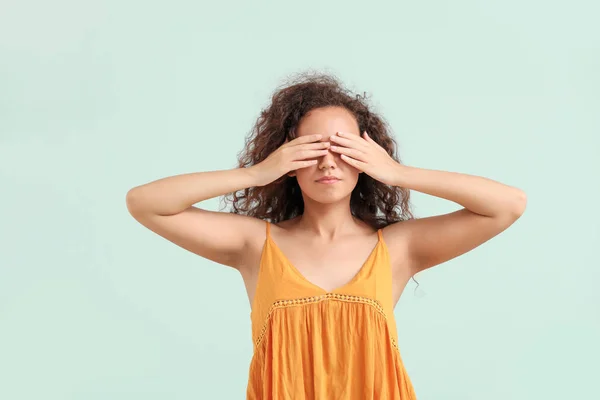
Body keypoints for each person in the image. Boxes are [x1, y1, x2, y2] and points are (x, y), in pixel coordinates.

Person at [125, 72, 527, 399]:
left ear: (367, 157)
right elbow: (145, 202)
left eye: (344, 147)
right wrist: (255, 173)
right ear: (288, 157)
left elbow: (507, 205)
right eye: (312, 147)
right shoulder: (255, 245)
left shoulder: (398, 248)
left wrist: (399, 173)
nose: (328, 162)